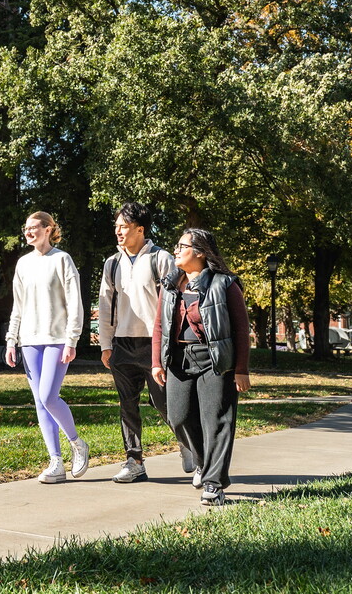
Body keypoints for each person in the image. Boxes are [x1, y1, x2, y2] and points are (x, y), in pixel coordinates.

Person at [151, 228, 250, 506]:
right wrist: (156, 361)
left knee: (216, 421)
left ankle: (214, 485)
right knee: (178, 416)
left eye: (182, 246)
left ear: (201, 252)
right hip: (178, 358)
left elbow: (242, 330)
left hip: (215, 359)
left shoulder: (224, 284)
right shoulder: (170, 284)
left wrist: (241, 368)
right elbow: (159, 324)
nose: (176, 250)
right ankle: (203, 463)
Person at [97, 202, 193, 484]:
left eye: (123, 227)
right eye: (116, 226)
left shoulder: (161, 258)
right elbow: (105, 306)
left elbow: (175, 304)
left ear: (140, 229)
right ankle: (134, 460)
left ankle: (189, 445)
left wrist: (170, 343)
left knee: (164, 404)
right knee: (127, 405)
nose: (118, 231)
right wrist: (106, 344)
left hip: (155, 344)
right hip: (122, 345)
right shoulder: (112, 262)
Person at [5, 211, 89, 484]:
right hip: (29, 340)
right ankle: (55, 461)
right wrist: (11, 339)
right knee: (40, 403)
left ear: (49, 229)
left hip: (57, 339)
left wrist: (72, 340)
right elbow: (18, 305)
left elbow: (75, 303)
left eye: (34, 227)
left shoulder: (62, 260)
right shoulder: (22, 264)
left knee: (49, 397)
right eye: (25, 228)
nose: (28, 232)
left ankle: (77, 444)